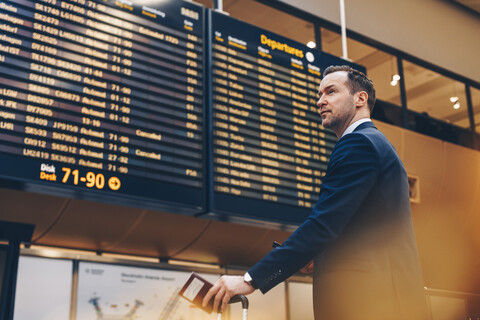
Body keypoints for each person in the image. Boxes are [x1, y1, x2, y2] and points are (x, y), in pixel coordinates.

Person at [203, 65, 427, 320]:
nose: (320, 101)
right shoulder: (375, 143)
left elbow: (324, 224)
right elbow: (363, 228)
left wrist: (250, 279)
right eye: (319, 95)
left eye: (330, 92)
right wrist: (321, 253)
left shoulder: (359, 144)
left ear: (360, 99)